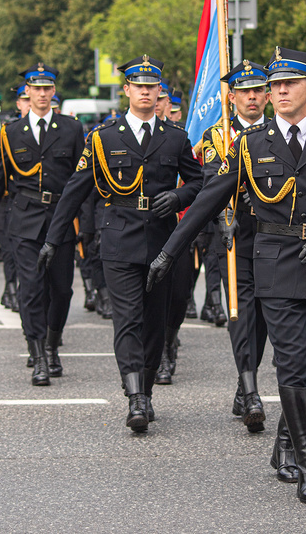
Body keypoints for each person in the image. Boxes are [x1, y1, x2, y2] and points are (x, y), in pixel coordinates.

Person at [147, 48, 306, 505]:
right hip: (274, 264)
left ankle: (286, 444)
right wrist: (168, 253)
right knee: (291, 363)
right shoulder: (250, 145)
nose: (280, 91)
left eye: (290, 83)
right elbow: (209, 200)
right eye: (274, 85)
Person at [38, 55, 203, 432]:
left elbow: (199, 183)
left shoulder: (175, 138)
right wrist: (53, 239)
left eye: (152, 86)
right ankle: (135, 398)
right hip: (118, 238)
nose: (145, 91)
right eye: (137, 85)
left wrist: (178, 198)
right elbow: (74, 192)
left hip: (161, 241)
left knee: (154, 324)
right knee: (127, 319)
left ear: (159, 91)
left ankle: (144, 388)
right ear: (126, 90)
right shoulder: (103, 138)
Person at [0, 63, 86, 387]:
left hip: (59, 220)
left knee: (61, 289)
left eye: (48, 88)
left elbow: (83, 181)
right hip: (25, 220)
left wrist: (87, 225)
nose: (43, 94)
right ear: (27, 93)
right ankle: (39, 355)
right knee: (30, 289)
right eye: (37, 88)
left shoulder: (71, 129)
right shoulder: (11, 133)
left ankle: (52, 343)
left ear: (53, 92)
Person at [198, 60, 271, 433]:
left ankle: (246, 380)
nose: (253, 97)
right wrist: (222, 217)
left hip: (275, 235)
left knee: (264, 315)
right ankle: (252, 391)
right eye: (245, 92)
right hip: (235, 235)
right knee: (241, 311)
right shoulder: (218, 136)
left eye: (259, 90)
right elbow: (213, 181)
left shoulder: (278, 132)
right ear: (232, 97)